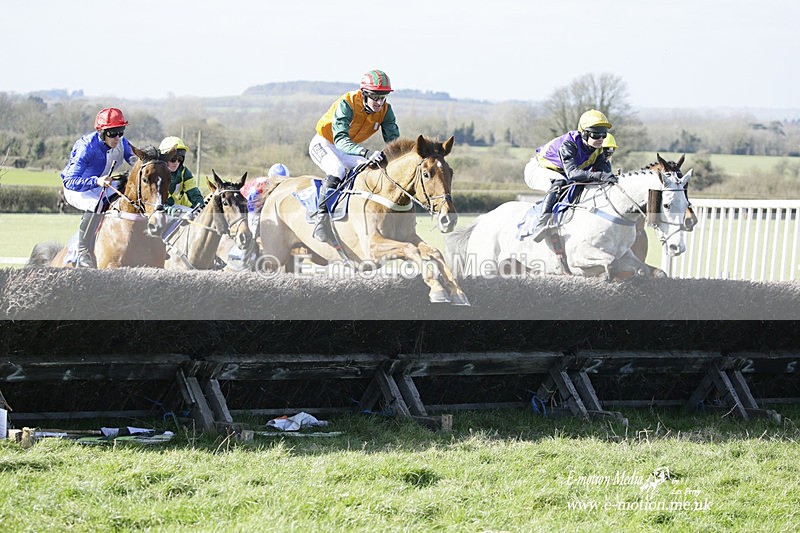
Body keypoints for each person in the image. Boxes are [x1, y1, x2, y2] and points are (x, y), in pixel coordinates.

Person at [308, 69, 400, 242]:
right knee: (337, 170)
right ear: (364, 93)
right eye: (375, 97)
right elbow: (341, 139)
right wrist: (366, 152)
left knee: (369, 169)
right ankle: (320, 219)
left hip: (347, 149)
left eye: (383, 97)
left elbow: (394, 142)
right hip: (324, 143)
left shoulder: (385, 110)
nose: (379, 102)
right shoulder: (348, 102)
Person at [523, 109, 618, 242]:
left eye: (604, 135)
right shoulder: (568, 144)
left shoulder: (599, 149)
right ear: (584, 134)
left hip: (562, 172)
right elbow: (573, 174)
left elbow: (604, 175)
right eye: (596, 136)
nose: (601, 139)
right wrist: (600, 176)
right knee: (559, 182)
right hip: (538, 169)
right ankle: (541, 224)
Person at [60, 107, 136, 267]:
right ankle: (82, 250)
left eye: (120, 132)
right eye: (112, 133)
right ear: (101, 132)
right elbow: (70, 181)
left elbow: (135, 161)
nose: (117, 137)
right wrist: (96, 181)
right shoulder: (86, 147)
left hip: (102, 183)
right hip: (78, 188)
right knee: (96, 204)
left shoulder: (122, 142)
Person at [159, 136, 204, 217]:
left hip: (181, 210)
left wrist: (201, 206)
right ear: (164, 159)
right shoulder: (156, 175)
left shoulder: (184, 172)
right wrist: (170, 210)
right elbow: (155, 203)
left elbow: (194, 194)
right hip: (162, 212)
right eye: (173, 159)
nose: (176, 162)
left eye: (180, 159)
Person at [243, 162, 291, 235]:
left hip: (255, 202)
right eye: (278, 182)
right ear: (271, 178)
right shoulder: (260, 186)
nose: (280, 185)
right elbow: (252, 208)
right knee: (254, 230)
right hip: (247, 204)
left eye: (282, 182)